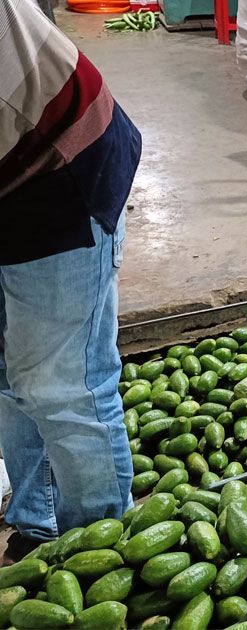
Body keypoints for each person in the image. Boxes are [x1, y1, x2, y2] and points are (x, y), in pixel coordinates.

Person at [0, 0, 141, 564]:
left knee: (62, 386)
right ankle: (39, 519)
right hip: (12, 164)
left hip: (57, 170)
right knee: (11, 373)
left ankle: (98, 549)